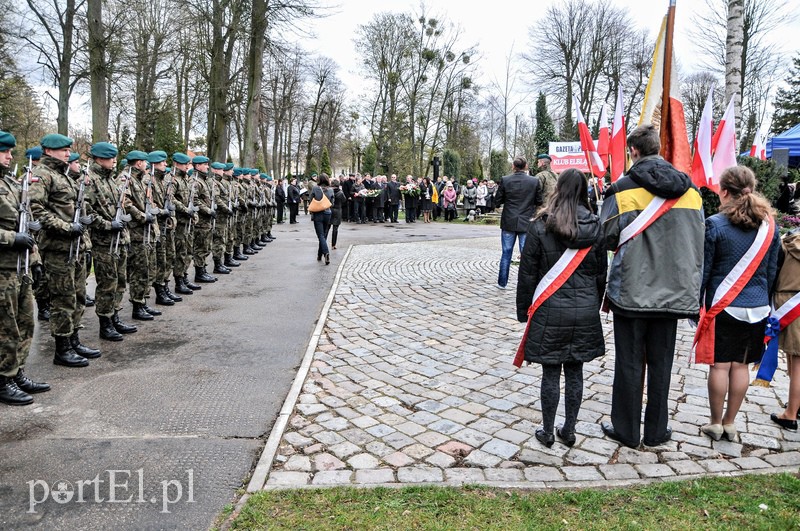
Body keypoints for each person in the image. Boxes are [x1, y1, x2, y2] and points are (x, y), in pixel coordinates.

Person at [599, 124, 704, 448]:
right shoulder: (692, 193)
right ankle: (657, 430)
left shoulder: (621, 190)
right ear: (658, 149)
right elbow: (699, 240)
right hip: (673, 292)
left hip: (631, 289)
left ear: (634, 151)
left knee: (629, 363)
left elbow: (606, 236)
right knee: (661, 364)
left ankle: (627, 430)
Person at [516, 169, 607, 447]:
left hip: (550, 309)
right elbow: (601, 274)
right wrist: (594, 302)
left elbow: (527, 274)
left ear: (558, 188)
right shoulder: (595, 226)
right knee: (576, 372)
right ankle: (569, 430)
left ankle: (546, 430)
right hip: (585, 309)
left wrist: (523, 310)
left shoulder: (540, 225)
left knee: (551, 372)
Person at [698, 166, 780, 441]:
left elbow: (705, 270)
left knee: (720, 366)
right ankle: (731, 423)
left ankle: (715, 422)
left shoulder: (715, 224)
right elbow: (771, 272)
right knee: (741, 367)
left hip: (724, 306)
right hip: (757, 307)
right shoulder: (769, 226)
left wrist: (699, 304)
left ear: (723, 191)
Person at [30, 134, 101, 366]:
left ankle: (74, 340)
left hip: (76, 246)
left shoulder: (64, 175)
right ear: (49, 151)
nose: (68, 153)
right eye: (63, 149)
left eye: (69, 149)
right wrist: (67, 227)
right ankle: (62, 348)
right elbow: (36, 209)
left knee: (78, 296)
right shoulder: (42, 174)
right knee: (63, 299)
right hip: (58, 248)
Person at [0, 131, 50, 404]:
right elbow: (13, 232)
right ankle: (2, 379)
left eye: (9, 151)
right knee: (5, 328)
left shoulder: (9, 183)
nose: (10, 156)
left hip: (20, 267)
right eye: (4, 151)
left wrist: (36, 259)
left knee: (24, 323)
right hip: (2, 268)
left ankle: (16, 371)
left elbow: (25, 223)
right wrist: (11, 238)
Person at [85, 142, 138, 341]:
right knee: (107, 284)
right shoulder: (91, 180)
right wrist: (108, 225)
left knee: (120, 281)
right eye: (110, 158)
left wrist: (123, 219)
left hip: (119, 238)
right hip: (103, 241)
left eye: (115, 158)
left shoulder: (111, 180)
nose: (114, 161)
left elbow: (119, 206)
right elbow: (87, 212)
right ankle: (105, 323)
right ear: (99, 159)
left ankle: (115, 316)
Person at [494, 156, 543, 289]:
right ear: (526, 166)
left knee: (506, 253)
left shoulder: (506, 180)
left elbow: (498, 199)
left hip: (509, 220)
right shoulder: (534, 181)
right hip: (526, 221)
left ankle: (502, 282)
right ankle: (526, 284)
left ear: (513, 166)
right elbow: (539, 200)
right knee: (526, 254)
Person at [771, 227, 800, 430]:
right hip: (793, 302)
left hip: (790, 300)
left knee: (796, 361)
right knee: (794, 357)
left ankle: (790, 414)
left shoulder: (788, 241)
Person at [310, 173, 334, 265]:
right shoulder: (330, 190)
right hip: (327, 213)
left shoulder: (315, 188)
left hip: (318, 214)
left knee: (320, 235)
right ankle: (320, 254)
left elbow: (311, 199)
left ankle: (326, 253)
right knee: (324, 235)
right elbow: (332, 202)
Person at [330, 178, 346, 250]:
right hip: (338, 210)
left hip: (330, 209)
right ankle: (333, 244)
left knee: (327, 227)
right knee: (335, 228)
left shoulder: (329, 191)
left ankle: (323, 242)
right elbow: (344, 200)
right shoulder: (340, 192)